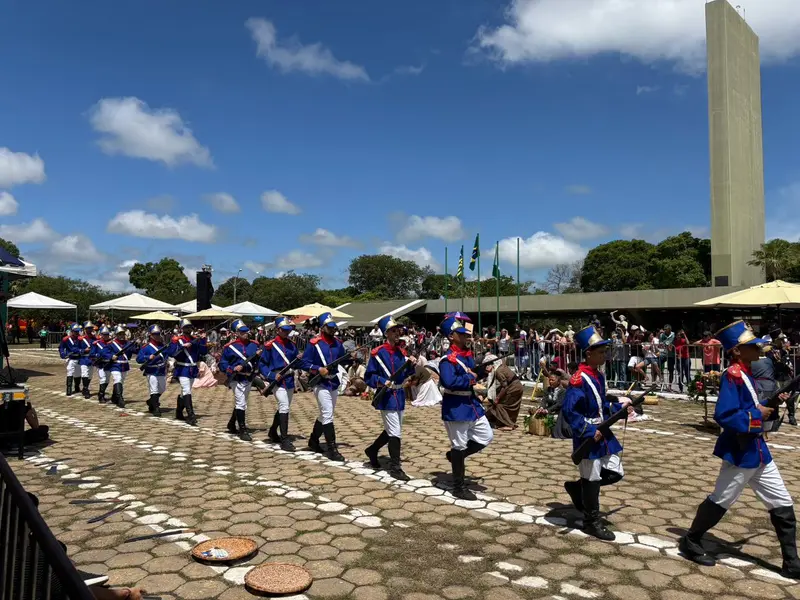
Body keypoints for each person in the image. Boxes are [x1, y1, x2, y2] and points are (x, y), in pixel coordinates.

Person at [679, 321, 800, 579]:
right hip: (740, 451)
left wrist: (772, 406)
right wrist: (758, 414)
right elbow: (725, 415)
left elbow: (756, 409)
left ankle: (791, 562)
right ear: (736, 351)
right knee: (721, 499)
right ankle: (691, 540)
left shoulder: (745, 373)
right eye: (751, 346)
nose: (758, 349)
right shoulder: (733, 375)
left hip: (758, 451)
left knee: (782, 503)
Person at [562, 325, 634, 541]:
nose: (604, 355)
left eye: (605, 351)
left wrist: (619, 410)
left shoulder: (598, 376)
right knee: (592, 477)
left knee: (615, 472)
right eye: (600, 352)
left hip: (603, 432)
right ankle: (591, 522)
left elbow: (601, 404)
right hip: (589, 435)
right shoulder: (578, 379)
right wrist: (588, 431)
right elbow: (570, 411)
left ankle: (577, 488)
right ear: (588, 354)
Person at [439, 313, 494, 501]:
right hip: (456, 406)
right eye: (460, 334)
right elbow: (449, 381)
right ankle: (458, 487)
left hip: (471, 404)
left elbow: (471, 375)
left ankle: (455, 457)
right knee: (459, 444)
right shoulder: (448, 360)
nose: (465, 337)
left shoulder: (467, 356)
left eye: (465, 334)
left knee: (486, 435)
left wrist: (479, 372)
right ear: (451, 337)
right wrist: (471, 377)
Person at [364, 315, 417, 481]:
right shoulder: (378, 353)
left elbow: (405, 373)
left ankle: (372, 450)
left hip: (399, 395)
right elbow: (369, 376)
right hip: (386, 396)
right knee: (395, 432)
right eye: (393, 330)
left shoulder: (401, 352)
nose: (397, 333)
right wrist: (381, 381)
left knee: (391, 430)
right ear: (386, 333)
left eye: (398, 330)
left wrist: (411, 365)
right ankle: (395, 467)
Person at [301, 312, 352, 461]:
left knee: (324, 414)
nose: (333, 330)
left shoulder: (337, 343)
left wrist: (352, 358)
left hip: (333, 383)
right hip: (320, 383)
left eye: (333, 327)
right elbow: (304, 363)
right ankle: (332, 449)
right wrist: (317, 369)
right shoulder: (314, 343)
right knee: (328, 413)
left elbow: (342, 359)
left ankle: (313, 440)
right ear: (323, 327)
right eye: (329, 328)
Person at [259, 316, 300, 451]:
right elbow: (262, 364)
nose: (286, 332)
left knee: (285, 406)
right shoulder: (270, 346)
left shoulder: (292, 345)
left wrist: (300, 358)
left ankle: (272, 431)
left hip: (289, 379)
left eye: (288, 330)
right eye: (284, 330)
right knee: (284, 406)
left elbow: (295, 361)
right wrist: (271, 375)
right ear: (278, 330)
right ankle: (284, 439)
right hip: (277, 380)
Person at [219, 320, 261, 441]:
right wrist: (232, 368)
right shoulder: (229, 347)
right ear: (236, 333)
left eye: (246, 331)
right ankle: (242, 429)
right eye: (242, 332)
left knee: (242, 402)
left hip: (248, 377)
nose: (246, 333)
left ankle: (231, 424)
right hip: (236, 377)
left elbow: (257, 362)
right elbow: (222, 364)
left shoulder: (254, 344)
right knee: (241, 402)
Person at [168, 319, 207, 426]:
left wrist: (203, 340)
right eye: (186, 327)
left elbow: (203, 352)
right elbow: (171, 353)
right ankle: (191, 415)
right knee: (186, 390)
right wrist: (182, 346)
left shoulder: (195, 339)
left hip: (192, 368)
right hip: (182, 368)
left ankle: (179, 411)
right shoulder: (177, 340)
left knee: (185, 391)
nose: (188, 329)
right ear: (182, 329)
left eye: (189, 327)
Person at [136, 325, 171, 417]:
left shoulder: (162, 346)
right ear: (150, 335)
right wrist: (148, 357)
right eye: (154, 334)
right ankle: (156, 408)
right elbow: (138, 359)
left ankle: (151, 401)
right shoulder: (145, 347)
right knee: (154, 389)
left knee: (162, 388)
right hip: (151, 370)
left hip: (161, 370)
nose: (157, 336)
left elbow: (167, 354)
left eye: (158, 334)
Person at [483, 354, 524, 431]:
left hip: (513, 388)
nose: (486, 367)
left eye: (487, 365)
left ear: (493, 364)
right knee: (508, 406)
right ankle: (506, 422)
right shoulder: (502, 366)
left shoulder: (498, 370)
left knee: (500, 405)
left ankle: (509, 424)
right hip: (517, 387)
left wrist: (498, 398)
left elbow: (504, 386)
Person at [100, 325, 138, 408]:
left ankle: (115, 397)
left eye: (123, 334)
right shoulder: (111, 344)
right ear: (116, 335)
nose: (122, 336)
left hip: (124, 365)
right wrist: (111, 356)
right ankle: (120, 399)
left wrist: (137, 344)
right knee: (117, 379)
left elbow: (135, 350)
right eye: (120, 334)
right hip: (115, 365)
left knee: (121, 382)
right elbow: (103, 352)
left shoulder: (128, 343)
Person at [58, 324, 83, 396]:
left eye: (78, 332)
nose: (77, 333)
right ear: (72, 331)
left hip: (78, 358)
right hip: (71, 358)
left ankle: (77, 386)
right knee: (70, 372)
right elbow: (61, 347)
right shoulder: (66, 339)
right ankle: (69, 388)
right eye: (75, 332)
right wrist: (63, 354)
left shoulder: (80, 339)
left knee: (78, 373)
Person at [77, 321, 97, 399]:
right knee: (85, 373)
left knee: (90, 375)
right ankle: (86, 389)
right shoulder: (80, 339)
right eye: (88, 328)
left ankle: (85, 388)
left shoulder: (95, 338)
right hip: (84, 358)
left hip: (91, 359)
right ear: (85, 329)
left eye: (91, 328)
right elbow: (76, 348)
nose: (90, 330)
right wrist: (83, 350)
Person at [93, 326, 112, 403]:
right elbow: (92, 354)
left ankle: (101, 393)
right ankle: (101, 396)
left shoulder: (111, 343)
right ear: (101, 335)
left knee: (107, 380)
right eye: (104, 334)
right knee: (103, 379)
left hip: (109, 363)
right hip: (101, 364)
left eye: (107, 334)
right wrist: (98, 355)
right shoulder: (97, 344)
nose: (106, 336)